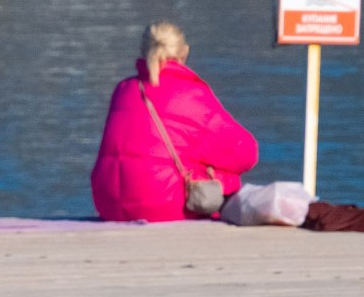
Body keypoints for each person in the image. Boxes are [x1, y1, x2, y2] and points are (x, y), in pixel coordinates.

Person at [91, 21, 259, 222]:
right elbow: (246, 154)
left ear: (143, 51)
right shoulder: (191, 94)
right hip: (164, 205)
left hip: (108, 204)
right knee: (226, 178)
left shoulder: (123, 89)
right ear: (184, 52)